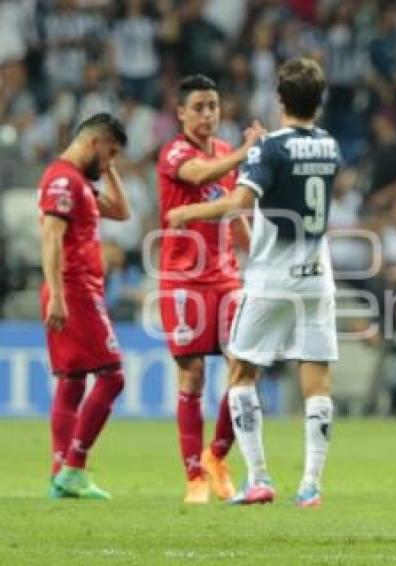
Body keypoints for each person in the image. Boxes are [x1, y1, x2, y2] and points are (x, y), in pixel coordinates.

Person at [167, 58, 341, 507]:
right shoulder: (330, 146)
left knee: (241, 372)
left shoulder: (270, 148)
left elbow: (239, 201)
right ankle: (311, 485)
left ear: (280, 99)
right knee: (317, 381)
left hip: (272, 276)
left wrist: (188, 213)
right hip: (318, 276)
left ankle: (259, 478)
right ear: (319, 102)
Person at [156, 74, 263, 504]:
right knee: (193, 374)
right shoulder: (175, 153)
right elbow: (201, 174)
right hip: (183, 281)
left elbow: (235, 208)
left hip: (226, 277)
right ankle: (194, 475)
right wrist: (245, 151)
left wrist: (254, 250)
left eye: (213, 107)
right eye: (198, 107)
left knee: (245, 366)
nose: (206, 115)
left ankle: (217, 456)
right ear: (180, 113)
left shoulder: (224, 152)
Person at [40, 113, 130, 499]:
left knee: (73, 382)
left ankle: (60, 473)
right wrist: (58, 294)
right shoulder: (63, 180)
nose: (109, 163)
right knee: (113, 377)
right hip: (74, 290)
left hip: (75, 290)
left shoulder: (78, 183)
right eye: (108, 154)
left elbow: (122, 211)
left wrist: (109, 169)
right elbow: (51, 238)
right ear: (93, 143)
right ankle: (75, 467)